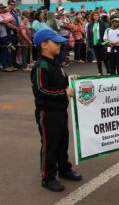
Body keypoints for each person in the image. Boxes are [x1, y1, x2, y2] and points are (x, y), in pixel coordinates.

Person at [31, 29, 82, 192]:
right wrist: (63, 92)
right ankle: (48, 177)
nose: (60, 44)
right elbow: (41, 90)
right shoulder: (40, 66)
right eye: (56, 42)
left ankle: (64, 169)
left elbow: (58, 81)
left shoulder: (55, 63)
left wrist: (69, 79)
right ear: (44, 45)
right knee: (50, 145)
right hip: (47, 113)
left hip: (60, 111)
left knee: (62, 142)